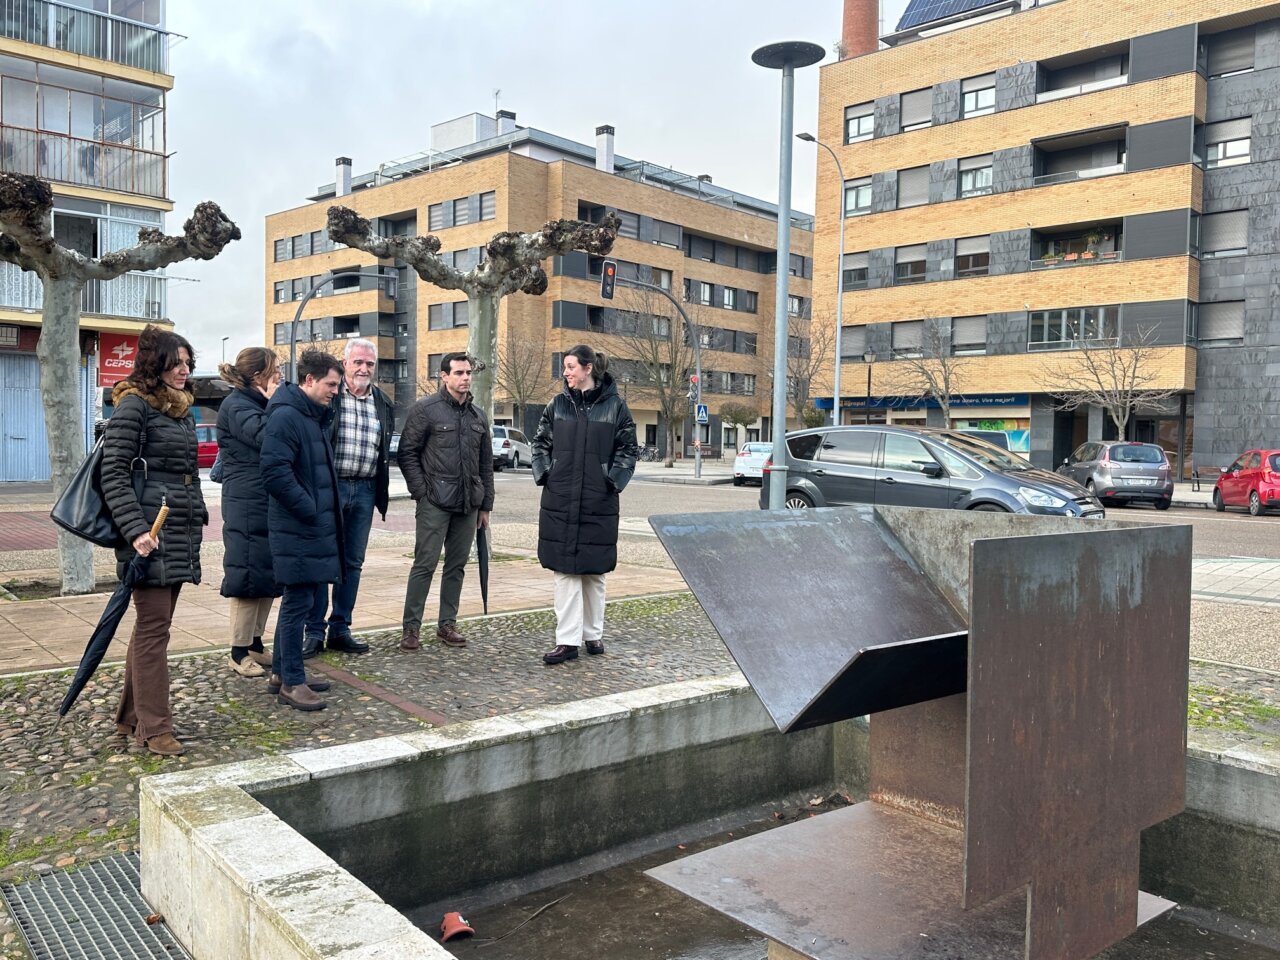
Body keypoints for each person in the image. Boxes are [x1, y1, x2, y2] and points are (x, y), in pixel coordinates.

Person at [100, 325, 206, 756]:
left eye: (187, 363)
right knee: (153, 628)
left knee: (152, 627)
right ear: (154, 364)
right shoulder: (134, 405)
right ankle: (155, 727)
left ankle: (131, 717)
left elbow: (185, 475)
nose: (184, 370)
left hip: (177, 531)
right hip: (150, 534)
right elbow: (113, 474)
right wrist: (137, 531)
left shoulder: (180, 409)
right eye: (175, 363)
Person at [532, 345, 638, 665]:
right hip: (561, 498)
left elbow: (628, 449)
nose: (565, 372)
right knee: (565, 572)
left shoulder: (616, 407)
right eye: (565, 367)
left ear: (588, 368)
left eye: (570, 366)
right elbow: (540, 443)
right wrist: (546, 473)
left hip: (598, 498)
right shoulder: (557, 405)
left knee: (595, 572)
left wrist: (612, 481)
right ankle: (567, 641)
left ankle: (593, 634)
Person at [260, 349, 344, 711]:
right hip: (298, 526)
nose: (335, 392)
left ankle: (282, 673)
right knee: (298, 604)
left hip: (308, 526)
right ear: (309, 380)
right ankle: (292, 682)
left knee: (301, 600)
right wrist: (310, 509)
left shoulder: (307, 415)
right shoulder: (287, 417)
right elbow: (274, 473)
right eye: (331, 385)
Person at [303, 338, 394, 658]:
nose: (364, 369)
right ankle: (314, 631)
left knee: (352, 562)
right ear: (345, 364)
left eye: (369, 363)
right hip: (331, 487)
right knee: (322, 558)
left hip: (366, 488)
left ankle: (340, 628)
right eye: (358, 362)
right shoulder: (330, 395)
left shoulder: (382, 402)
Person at [397, 352, 494, 651]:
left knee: (457, 565)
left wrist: (486, 506)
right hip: (435, 502)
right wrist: (421, 493)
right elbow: (407, 453)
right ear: (444, 376)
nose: (465, 378)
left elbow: (485, 464)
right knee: (424, 564)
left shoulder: (478, 416)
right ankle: (411, 628)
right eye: (459, 373)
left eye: (468, 373)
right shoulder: (425, 410)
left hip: (468, 503)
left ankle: (447, 625)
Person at [216, 347, 282, 679]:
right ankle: (238, 651)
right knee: (246, 574)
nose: (280, 375)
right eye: (275, 369)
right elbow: (268, 436)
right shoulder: (237, 405)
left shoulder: (256, 403)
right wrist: (276, 403)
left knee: (267, 574)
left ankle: (255, 643)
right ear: (258, 376)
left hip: (265, 499)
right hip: (245, 501)